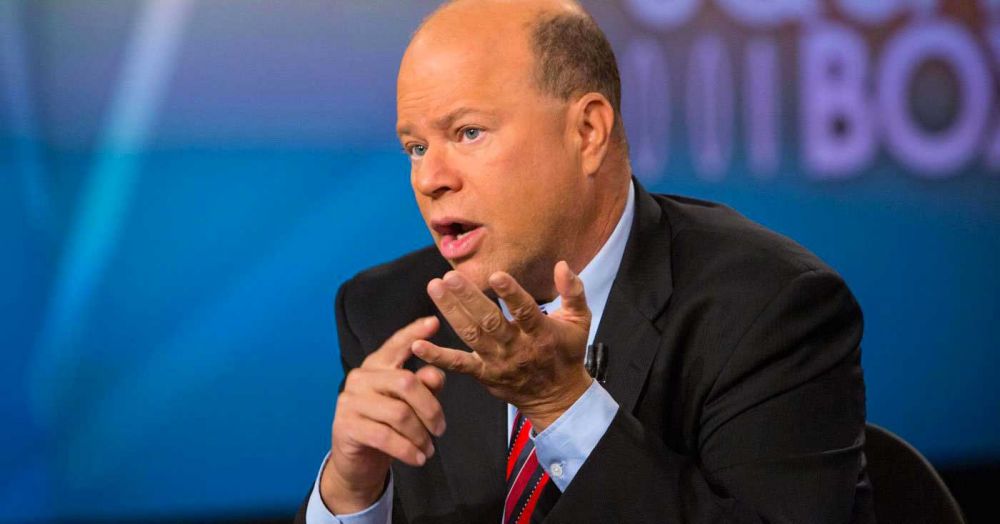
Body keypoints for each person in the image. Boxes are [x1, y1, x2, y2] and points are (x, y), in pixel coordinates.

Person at [296, 0, 873, 522]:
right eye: (416, 147)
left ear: (588, 131)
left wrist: (561, 407)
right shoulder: (388, 312)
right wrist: (351, 493)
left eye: (468, 133)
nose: (429, 179)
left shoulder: (770, 308)